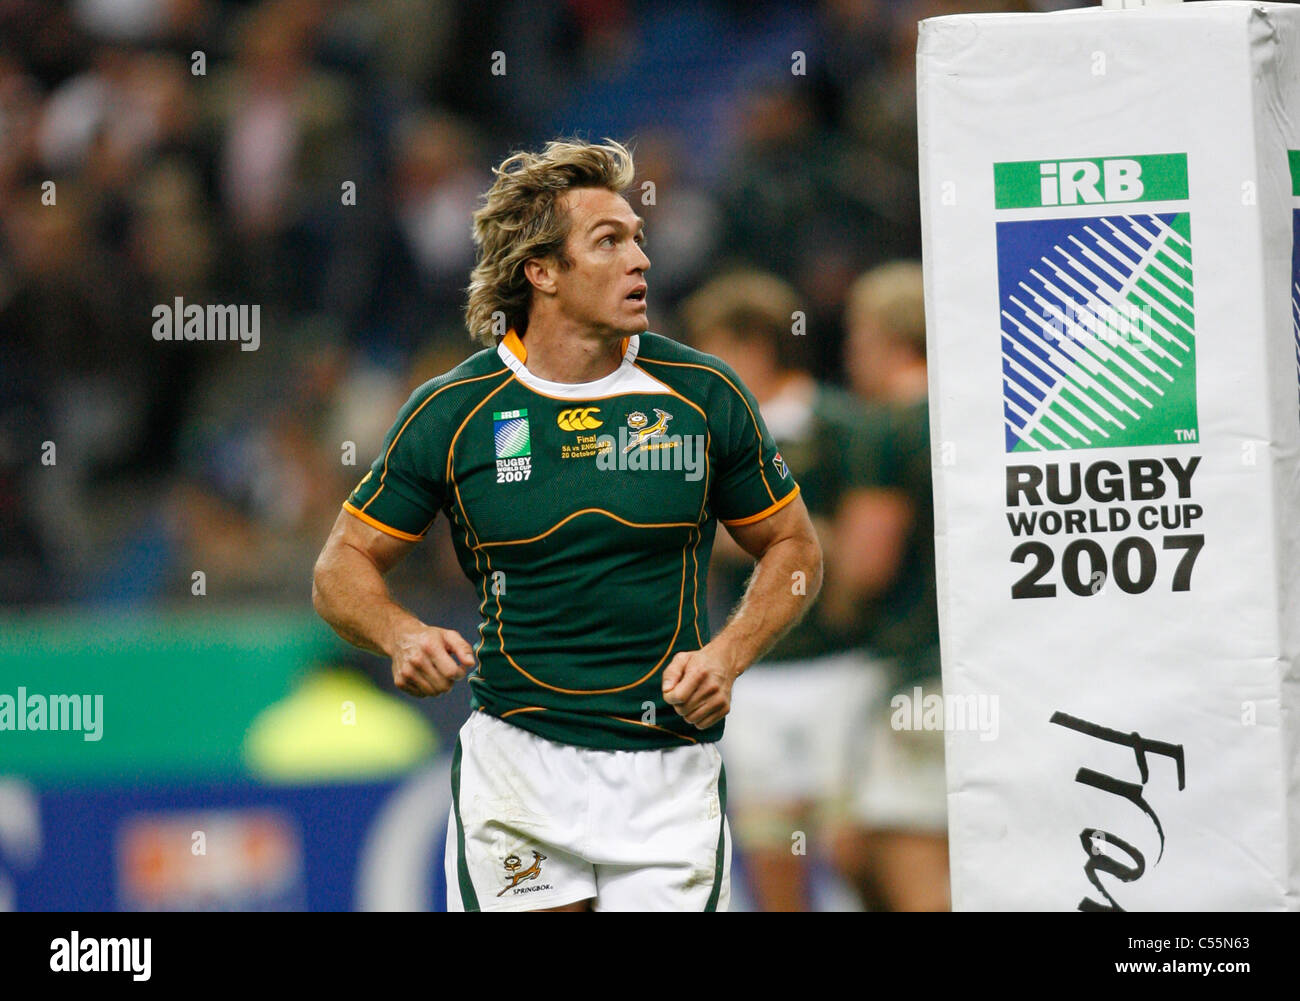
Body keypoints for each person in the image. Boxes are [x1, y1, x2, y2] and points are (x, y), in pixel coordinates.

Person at [311, 139, 822, 912]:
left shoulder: (702, 392)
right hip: (521, 767)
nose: (639, 259)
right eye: (608, 241)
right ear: (541, 272)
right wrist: (400, 634)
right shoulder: (454, 411)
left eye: (639, 238)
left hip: (668, 771)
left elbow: (794, 547)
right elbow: (340, 564)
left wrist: (729, 653)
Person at [681, 270, 898, 911]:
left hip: (846, 664)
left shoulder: (839, 424)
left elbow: (862, 546)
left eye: (713, 347)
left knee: (854, 846)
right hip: (754, 671)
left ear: (756, 345)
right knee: (771, 844)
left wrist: (786, 540)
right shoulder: (700, 435)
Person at [830, 259, 949, 912]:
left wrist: (827, 568)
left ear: (887, 336)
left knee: (902, 853)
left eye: (857, 336)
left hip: (917, 679)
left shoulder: (889, 428)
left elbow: (866, 564)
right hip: (996, 674)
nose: (850, 355)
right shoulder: (980, 416)